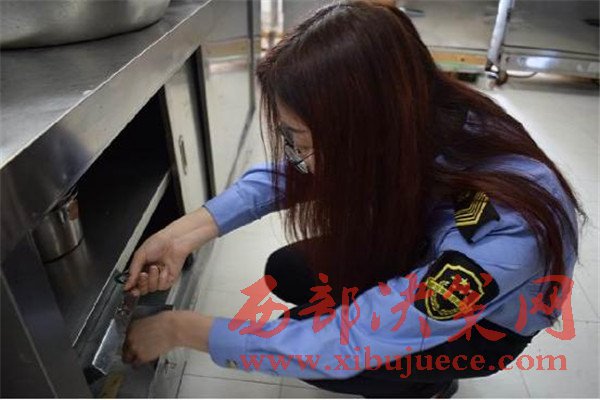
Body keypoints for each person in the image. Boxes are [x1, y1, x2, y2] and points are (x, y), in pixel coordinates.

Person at [122, 1, 583, 397]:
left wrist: (181, 330)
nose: (299, 157)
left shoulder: (505, 228)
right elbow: (289, 176)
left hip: (483, 327)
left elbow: (351, 340)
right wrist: (182, 234)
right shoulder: (419, 116)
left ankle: (430, 383)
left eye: (304, 141)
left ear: (365, 128)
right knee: (289, 271)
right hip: (421, 250)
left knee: (332, 358)